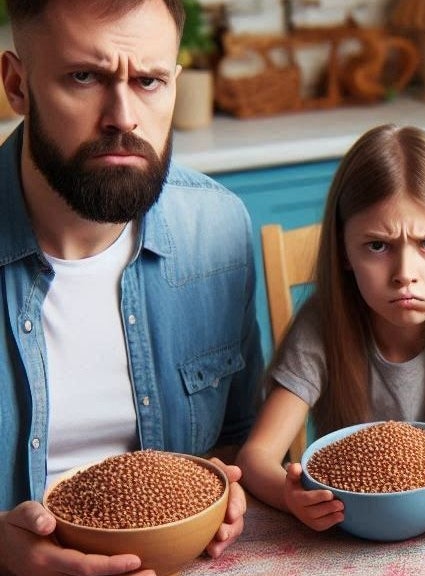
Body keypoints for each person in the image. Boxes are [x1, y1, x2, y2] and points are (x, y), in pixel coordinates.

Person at [0, 0, 264, 574]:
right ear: (17, 85)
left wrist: (221, 490)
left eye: (149, 80)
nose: (123, 116)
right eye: (84, 77)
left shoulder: (217, 232)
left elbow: (240, 434)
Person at [235, 124, 425, 531]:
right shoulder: (324, 323)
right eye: (378, 246)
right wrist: (289, 496)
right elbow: (256, 457)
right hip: (350, 529)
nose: (405, 274)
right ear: (343, 250)